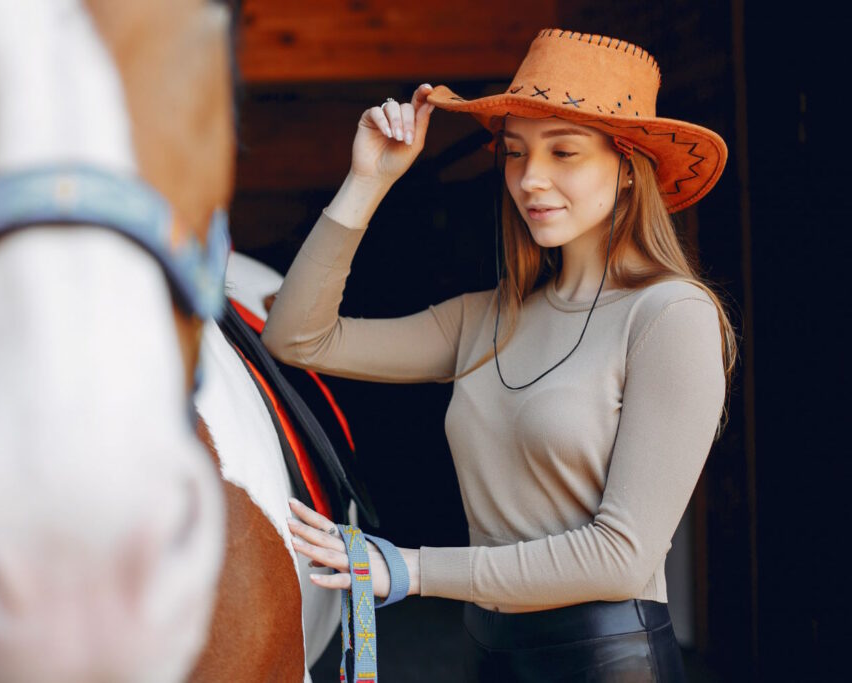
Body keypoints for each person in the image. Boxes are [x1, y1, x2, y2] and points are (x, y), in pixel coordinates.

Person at [263, 28, 736, 681]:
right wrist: (367, 182)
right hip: (488, 655)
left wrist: (413, 567)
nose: (530, 179)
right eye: (514, 152)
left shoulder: (670, 316)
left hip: (606, 662)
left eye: (563, 151)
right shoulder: (484, 318)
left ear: (628, 168)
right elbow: (297, 337)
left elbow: (622, 555)